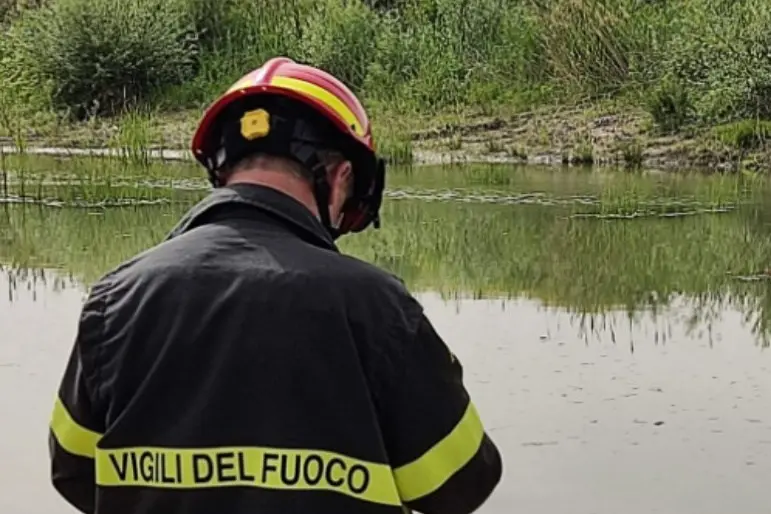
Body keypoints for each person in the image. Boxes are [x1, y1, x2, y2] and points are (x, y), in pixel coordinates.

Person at [47, 57, 502, 514]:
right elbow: (460, 482)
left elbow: (72, 471)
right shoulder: (376, 308)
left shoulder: (116, 299)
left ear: (221, 171)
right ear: (342, 177)